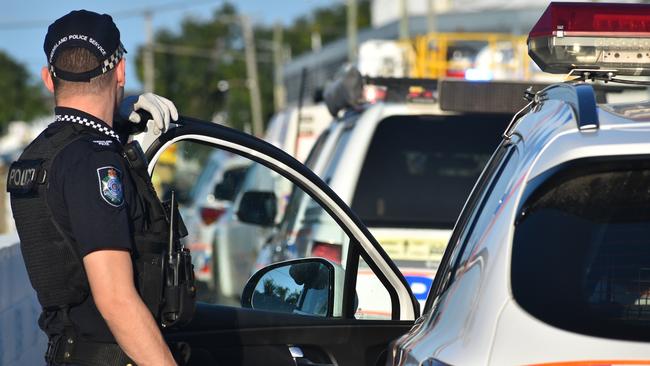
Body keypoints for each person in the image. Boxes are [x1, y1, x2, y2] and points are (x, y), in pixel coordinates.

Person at [8, 10, 182, 366]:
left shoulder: (38, 157)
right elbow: (116, 300)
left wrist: (120, 125)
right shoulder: (94, 162)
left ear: (47, 78)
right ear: (120, 72)